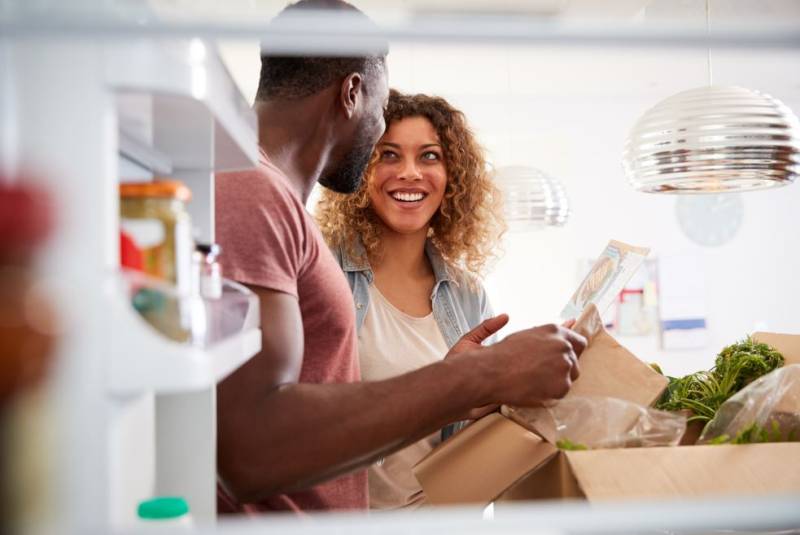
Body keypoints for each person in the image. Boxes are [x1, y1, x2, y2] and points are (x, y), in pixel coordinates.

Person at [214, 0, 586, 515]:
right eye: (381, 112)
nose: (382, 146)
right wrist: (481, 374)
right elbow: (248, 449)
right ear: (352, 93)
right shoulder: (252, 191)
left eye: (428, 156)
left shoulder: (263, 195)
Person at [315, 90, 505, 509]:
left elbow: (482, 436)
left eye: (430, 156)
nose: (410, 173)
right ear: (361, 167)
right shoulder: (320, 273)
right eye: (388, 155)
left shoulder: (467, 294)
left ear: (453, 174)